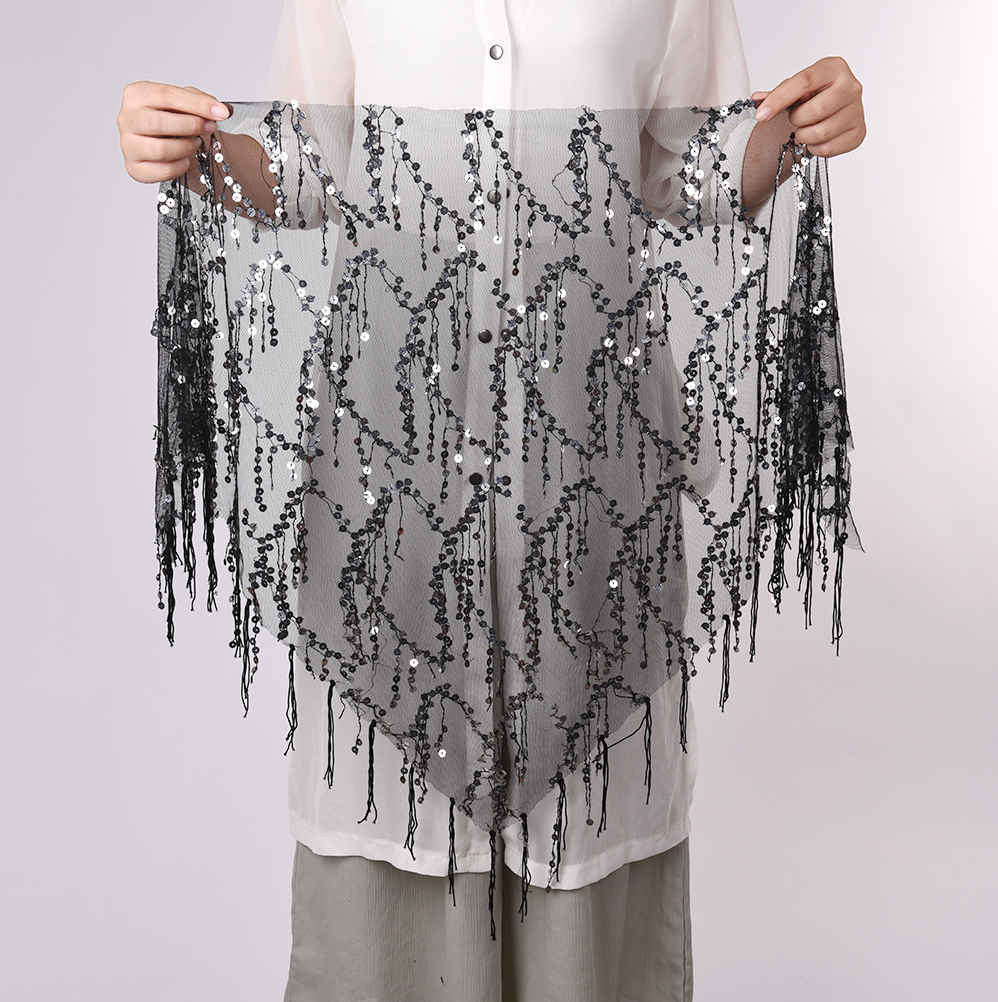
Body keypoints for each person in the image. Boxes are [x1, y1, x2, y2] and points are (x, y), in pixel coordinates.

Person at [119, 3, 865, 1000]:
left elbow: (685, 167)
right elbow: (318, 162)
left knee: (589, 955)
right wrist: (192, 147)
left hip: (594, 554)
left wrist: (798, 129)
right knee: (376, 942)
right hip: (389, 551)